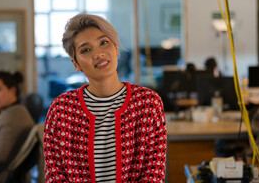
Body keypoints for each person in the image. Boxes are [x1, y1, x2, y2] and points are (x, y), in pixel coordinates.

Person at [43, 13, 167, 182]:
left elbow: (153, 173)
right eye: (86, 50)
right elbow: (55, 175)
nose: (99, 53)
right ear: (76, 63)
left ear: (116, 48)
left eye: (104, 43)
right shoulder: (61, 110)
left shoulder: (147, 103)